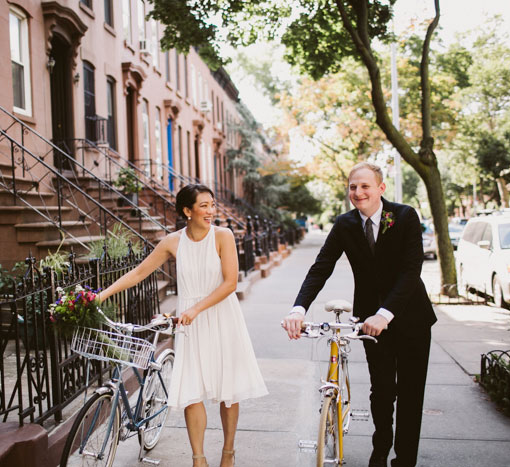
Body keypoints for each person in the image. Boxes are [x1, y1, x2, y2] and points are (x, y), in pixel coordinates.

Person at [99, 184, 268, 467]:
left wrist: (196, 308)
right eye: (204, 206)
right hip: (190, 323)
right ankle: (198, 459)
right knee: (191, 390)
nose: (211, 211)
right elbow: (139, 273)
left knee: (228, 389)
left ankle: (228, 453)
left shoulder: (223, 236)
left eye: (212, 205)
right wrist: (99, 296)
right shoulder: (172, 242)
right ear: (187, 211)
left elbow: (230, 283)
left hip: (222, 316)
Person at [282, 162, 436, 467]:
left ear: (380, 188)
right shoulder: (345, 224)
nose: (358, 192)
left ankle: (404, 459)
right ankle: (380, 450)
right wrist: (298, 308)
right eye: (353, 186)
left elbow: (410, 271)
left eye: (365, 186)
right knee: (381, 392)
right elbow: (321, 267)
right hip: (369, 324)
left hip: (411, 318)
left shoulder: (404, 216)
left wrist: (385, 313)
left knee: (409, 394)